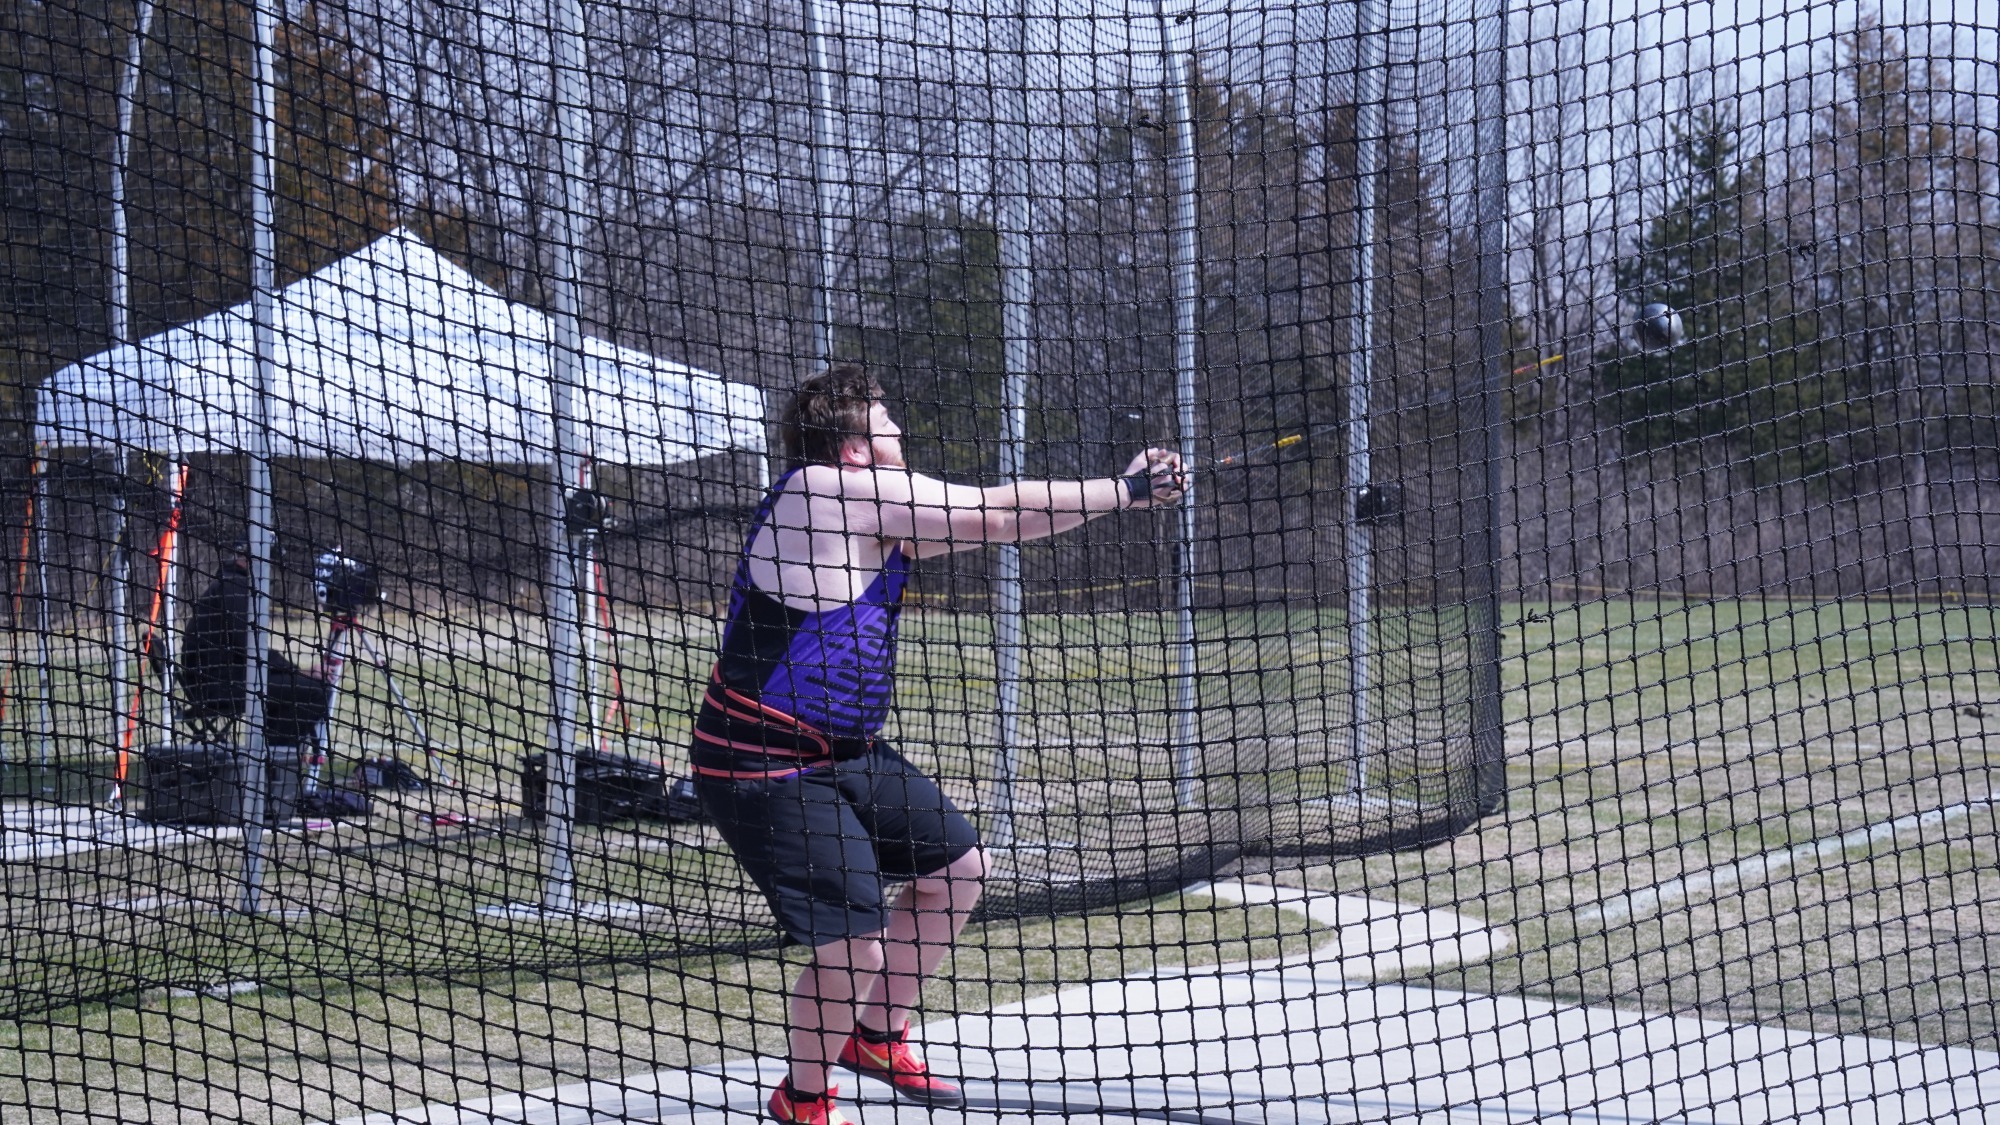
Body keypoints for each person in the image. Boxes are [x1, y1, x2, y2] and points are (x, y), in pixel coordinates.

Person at [691, 364, 1187, 1125]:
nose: (901, 435)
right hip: (764, 760)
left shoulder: (879, 516)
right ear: (853, 447)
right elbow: (993, 509)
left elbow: (1008, 524)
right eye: (888, 427)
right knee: (853, 942)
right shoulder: (820, 491)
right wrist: (1125, 490)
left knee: (957, 870)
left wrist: (1118, 498)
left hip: (845, 751)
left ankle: (876, 1037)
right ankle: (803, 1097)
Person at [179, 540, 334, 748]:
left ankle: (270, 757)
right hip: (217, 686)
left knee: (296, 689)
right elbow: (249, 646)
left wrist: (291, 671)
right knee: (314, 693)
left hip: (217, 680)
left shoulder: (229, 584)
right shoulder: (234, 586)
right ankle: (272, 763)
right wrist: (297, 671)